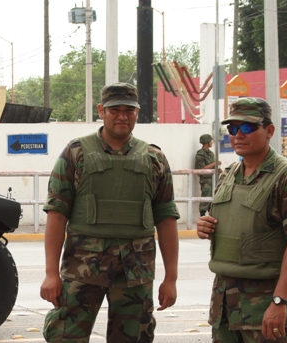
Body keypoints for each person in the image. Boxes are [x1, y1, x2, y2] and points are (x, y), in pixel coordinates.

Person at [40, 82, 180, 342]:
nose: (123, 116)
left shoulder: (154, 158)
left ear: (138, 112)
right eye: (115, 109)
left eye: (130, 110)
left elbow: (166, 219)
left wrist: (170, 278)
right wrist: (50, 274)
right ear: (101, 110)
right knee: (64, 336)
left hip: (135, 271)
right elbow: (57, 215)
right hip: (83, 267)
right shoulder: (76, 152)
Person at [196, 97, 287, 342]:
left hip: (263, 304)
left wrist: (279, 301)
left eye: (248, 127)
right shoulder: (229, 175)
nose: (238, 134)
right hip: (224, 305)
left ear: (269, 130)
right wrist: (205, 226)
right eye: (232, 128)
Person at [195, 134, 221, 216]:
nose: (211, 143)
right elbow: (201, 169)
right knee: (206, 196)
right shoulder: (200, 154)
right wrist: (214, 163)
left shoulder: (211, 154)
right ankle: (202, 214)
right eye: (210, 141)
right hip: (206, 180)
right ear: (206, 143)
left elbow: (212, 166)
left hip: (213, 179)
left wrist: (217, 170)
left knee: (213, 197)